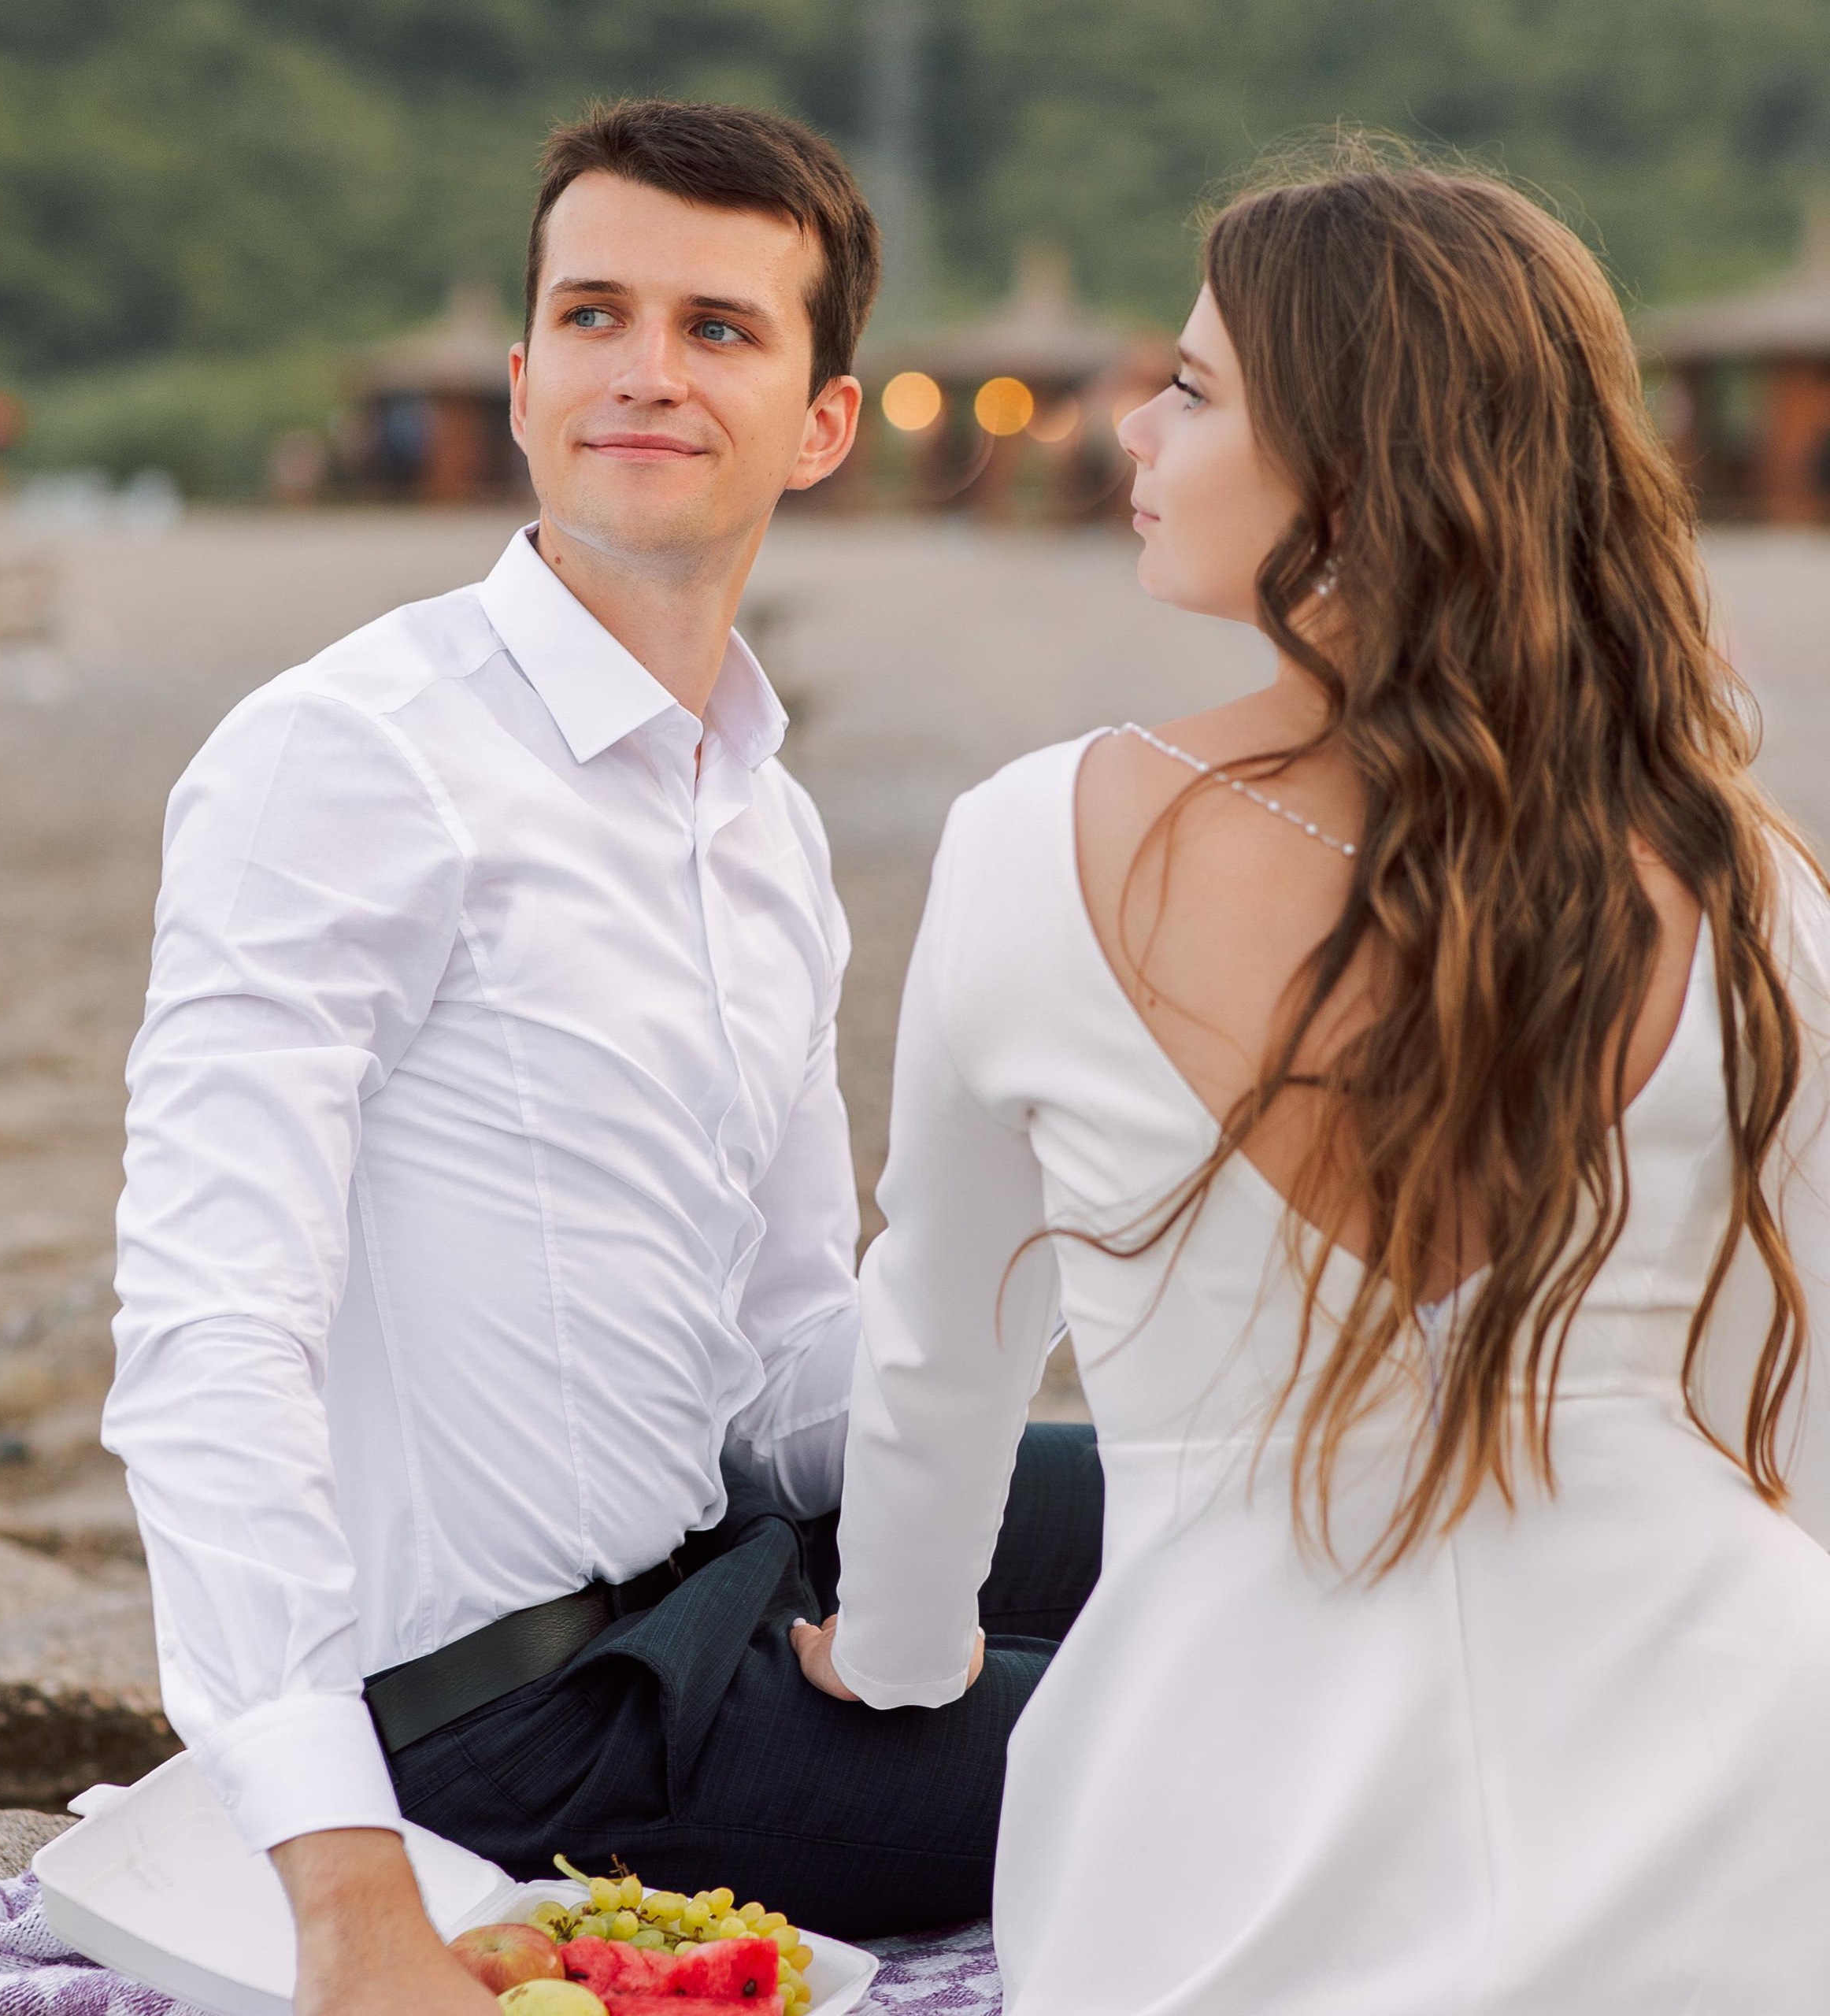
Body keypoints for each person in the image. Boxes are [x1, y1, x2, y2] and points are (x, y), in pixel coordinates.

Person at [793, 141, 1830, 2013]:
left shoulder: (1035, 842)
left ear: (1350, 471)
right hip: (1737, 1774)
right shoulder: (1742, 882)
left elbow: (939, 1345)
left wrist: (896, 1649)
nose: (1130, 427)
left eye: (1190, 390)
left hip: (1214, 1822)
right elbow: (1804, 1386)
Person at [103, 98, 1103, 2016]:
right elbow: (207, 1331)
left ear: (822, 421)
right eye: (593, 316)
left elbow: (787, 1357)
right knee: (1196, 1750)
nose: (644, 370)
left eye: (716, 327)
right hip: (514, 1713)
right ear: (521, 380)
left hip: (729, 1558)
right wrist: (348, 1892)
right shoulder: (350, 758)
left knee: (1238, 1515)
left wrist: (1059, 1242)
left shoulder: (759, 815)